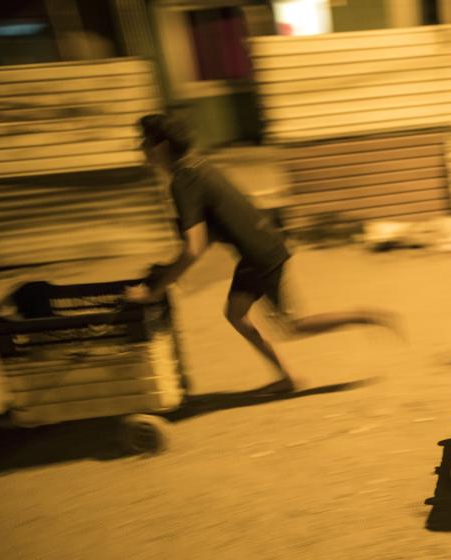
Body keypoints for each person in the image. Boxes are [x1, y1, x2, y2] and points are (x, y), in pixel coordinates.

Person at [126, 113, 401, 393]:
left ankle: (364, 317)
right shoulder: (197, 165)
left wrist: (155, 290)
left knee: (292, 325)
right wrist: (170, 269)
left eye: (144, 142)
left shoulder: (183, 181)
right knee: (236, 314)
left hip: (260, 254)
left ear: (160, 147)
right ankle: (286, 378)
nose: (140, 148)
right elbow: (208, 234)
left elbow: (194, 247)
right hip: (260, 247)